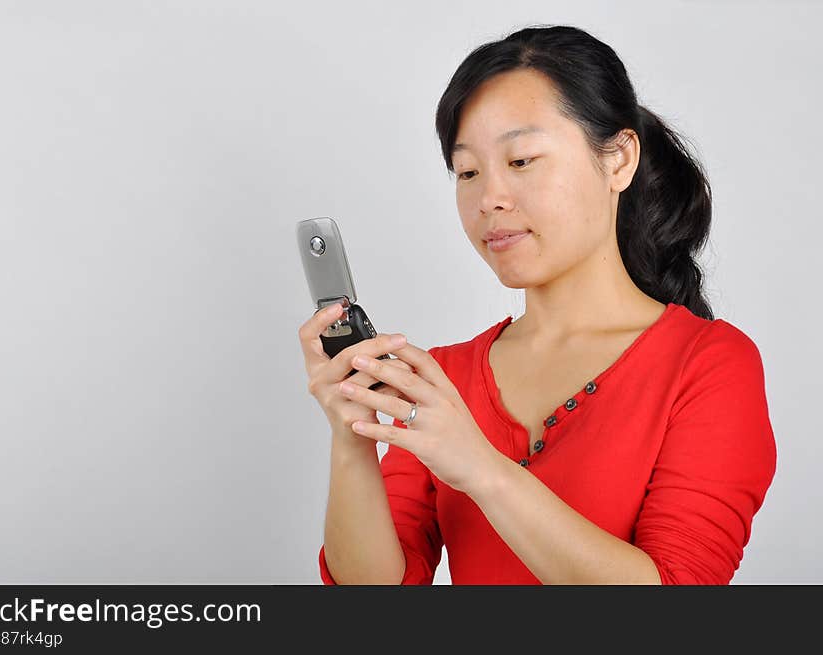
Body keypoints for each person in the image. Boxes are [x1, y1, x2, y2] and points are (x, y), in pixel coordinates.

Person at [298, 24, 776, 584]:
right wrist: (353, 433)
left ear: (619, 161)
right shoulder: (442, 379)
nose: (489, 199)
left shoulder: (709, 363)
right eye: (468, 172)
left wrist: (480, 467)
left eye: (521, 160)